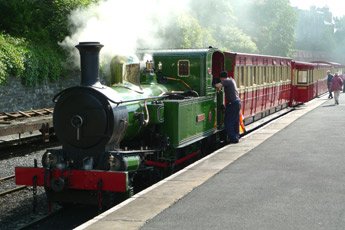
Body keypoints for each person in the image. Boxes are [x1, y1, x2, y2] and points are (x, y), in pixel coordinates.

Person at [215, 71, 241, 143]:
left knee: (228, 122)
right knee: (235, 121)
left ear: (221, 78)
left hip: (233, 103)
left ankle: (233, 138)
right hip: (237, 102)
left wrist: (214, 84)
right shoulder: (231, 80)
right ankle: (236, 136)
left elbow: (217, 86)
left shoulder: (226, 81)